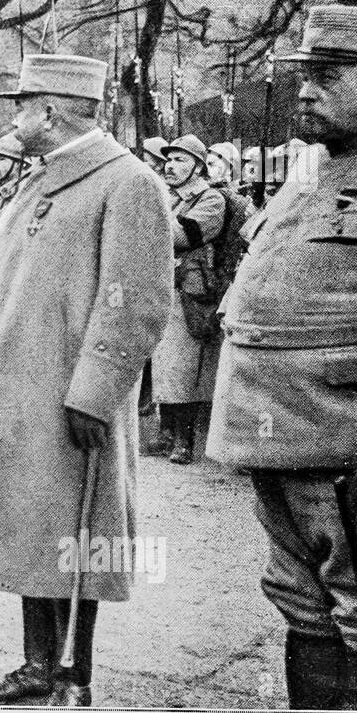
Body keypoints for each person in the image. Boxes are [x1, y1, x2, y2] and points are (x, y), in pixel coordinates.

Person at [0, 54, 172, 707]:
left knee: (76, 537)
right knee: (36, 530)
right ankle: (36, 663)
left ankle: (72, 674)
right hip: (23, 399)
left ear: (51, 112)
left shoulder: (127, 182)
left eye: (22, 105)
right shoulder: (43, 181)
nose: (14, 117)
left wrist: (93, 392)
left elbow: (135, 300)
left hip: (72, 401)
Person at [208, 6, 357, 711]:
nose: (303, 92)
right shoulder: (312, 165)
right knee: (300, 601)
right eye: (302, 77)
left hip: (349, 443)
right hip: (279, 434)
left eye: (325, 77)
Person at [148, 135, 228, 465]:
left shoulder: (210, 200)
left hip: (192, 291)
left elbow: (183, 236)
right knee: (163, 364)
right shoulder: (166, 197)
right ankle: (166, 432)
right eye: (168, 159)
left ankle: (185, 438)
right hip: (161, 285)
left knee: (186, 368)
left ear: (197, 167)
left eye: (181, 160)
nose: (170, 165)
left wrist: (148, 210)